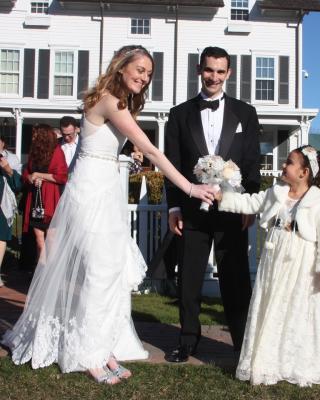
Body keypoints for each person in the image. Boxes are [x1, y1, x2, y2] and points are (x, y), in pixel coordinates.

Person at [2, 45, 214, 385]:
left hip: (103, 190)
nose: (144, 78)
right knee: (99, 273)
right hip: (92, 194)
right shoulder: (109, 100)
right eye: (140, 69)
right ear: (121, 65)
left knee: (110, 273)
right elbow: (150, 148)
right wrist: (189, 188)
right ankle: (90, 353)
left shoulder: (116, 102)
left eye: (149, 73)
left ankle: (103, 346)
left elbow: (84, 155)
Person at [164, 46, 261, 363]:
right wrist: (174, 207)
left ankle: (242, 343)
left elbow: (252, 164)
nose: (214, 77)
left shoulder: (246, 113)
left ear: (229, 73)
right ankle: (188, 339)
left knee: (235, 279)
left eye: (220, 71)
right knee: (189, 278)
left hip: (233, 209)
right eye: (209, 70)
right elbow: (173, 165)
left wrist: (248, 204)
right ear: (199, 70)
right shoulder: (179, 115)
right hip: (192, 210)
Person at [216, 146, 320, 387]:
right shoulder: (276, 192)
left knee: (295, 308)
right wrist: (223, 197)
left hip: (301, 262)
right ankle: (267, 360)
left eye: (289, 162)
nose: (283, 165)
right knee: (271, 302)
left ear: (303, 172)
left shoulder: (318, 201)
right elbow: (251, 202)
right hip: (275, 255)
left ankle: (293, 361)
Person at [21, 125, 68, 261]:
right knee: (39, 241)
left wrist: (39, 175)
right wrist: (30, 178)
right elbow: (26, 173)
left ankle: (51, 277)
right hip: (35, 197)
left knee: (52, 240)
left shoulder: (57, 152)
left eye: (36, 134)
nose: (33, 137)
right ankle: (40, 273)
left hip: (50, 199)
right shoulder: (34, 152)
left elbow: (61, 177)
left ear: (43, 136)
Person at [0, 136, 22, 288]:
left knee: (1, 235)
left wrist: (8, 169)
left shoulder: (11, 158)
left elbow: (18, 184)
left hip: (3, 201)